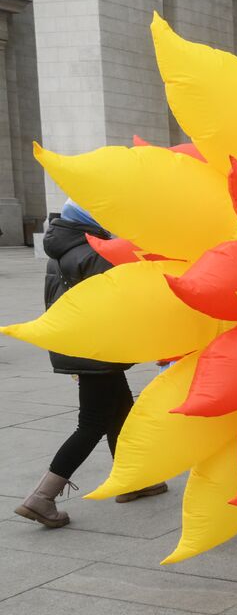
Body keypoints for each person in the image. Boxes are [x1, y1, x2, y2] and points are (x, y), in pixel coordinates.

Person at [13, 200, 170, 530]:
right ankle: (42, 496)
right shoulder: (93, 251)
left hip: (78, 344)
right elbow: (121, 302)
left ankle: (131, 481)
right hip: (96, 348)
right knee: (93, 422)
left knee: (122, 410)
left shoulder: (61, 246)